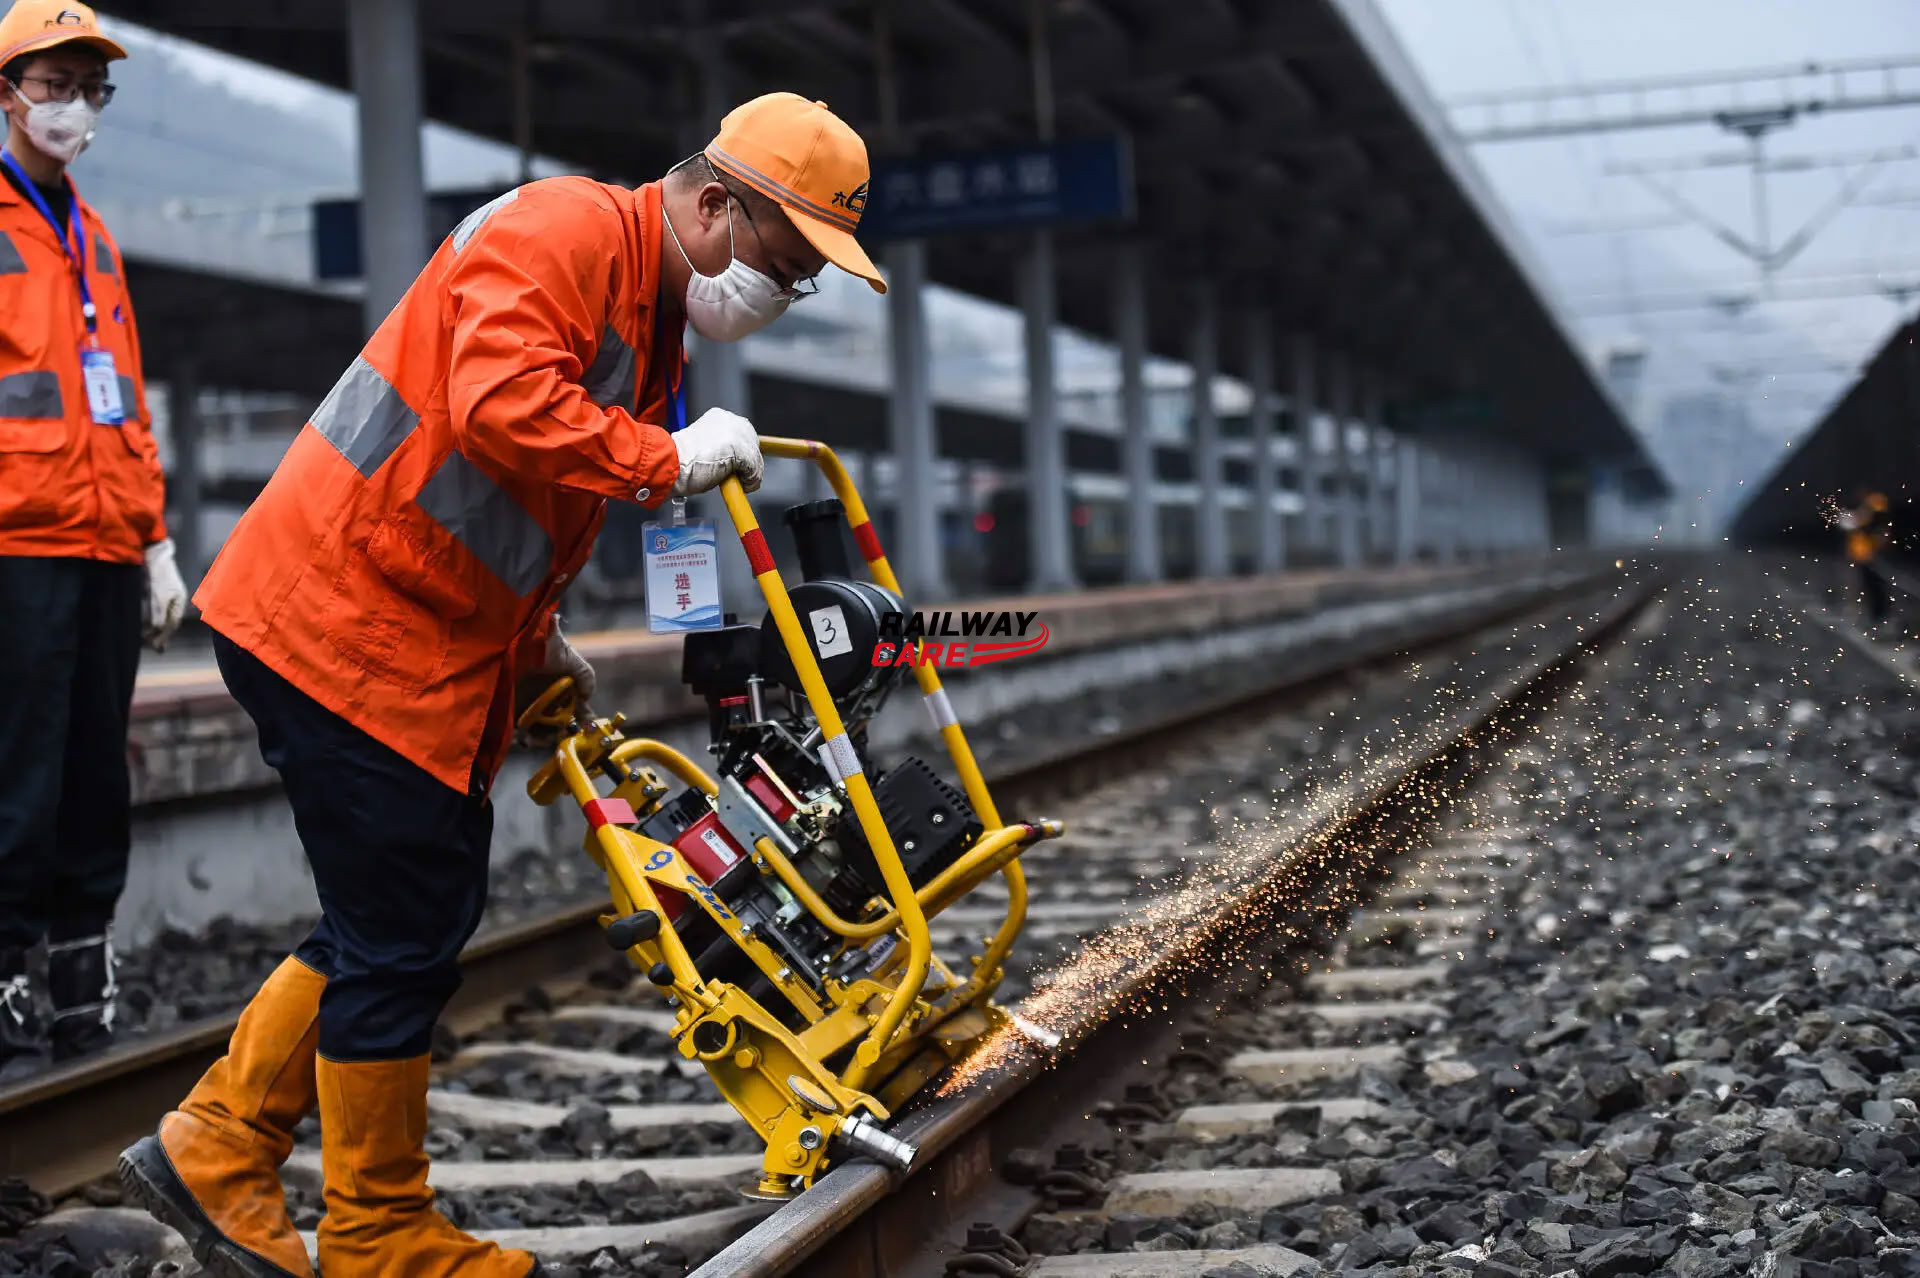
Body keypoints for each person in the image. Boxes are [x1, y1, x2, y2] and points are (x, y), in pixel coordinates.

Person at [118, 93, 887, 1278]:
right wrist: (664, 459)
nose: (783, 294)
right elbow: (498, 408)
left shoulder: (647, 304)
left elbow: (493, 503)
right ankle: (372, 1234)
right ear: (716, 202)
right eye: (784, 264)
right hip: (345, 623)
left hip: (402, 631)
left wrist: (538, 648)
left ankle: (218, 1143)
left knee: (394, 917)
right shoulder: (563, 232)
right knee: (404, 927)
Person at [0, 0, 186, 1080]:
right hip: (18, 544)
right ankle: (6, 970)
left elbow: (126, 407)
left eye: (88, 87)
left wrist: (157, 543)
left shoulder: (96, 240)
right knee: (16, 768)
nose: (73, 106)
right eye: (55, 82)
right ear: (10, 94)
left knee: (91, 774)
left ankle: (79, 972)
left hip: (109, 545)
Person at [1838, 490, 1892, 627]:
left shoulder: (1874, 503)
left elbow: (1876, 524)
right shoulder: (1864, 510)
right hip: (1862, 556)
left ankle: (1880, 616)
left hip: (1871, 555)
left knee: (1876, 587)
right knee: (1865, 586)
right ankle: (1873, 615)